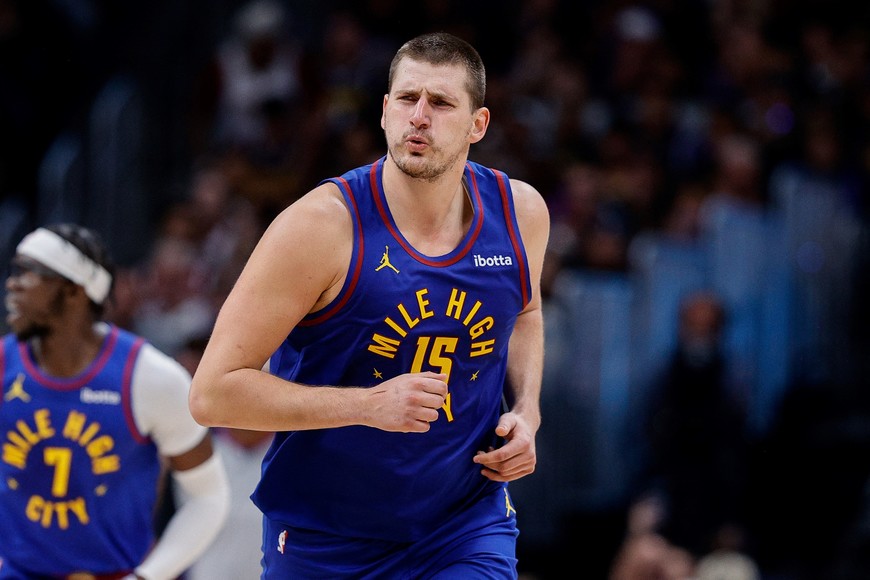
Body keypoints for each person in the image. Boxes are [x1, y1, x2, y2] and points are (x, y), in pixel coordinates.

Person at [189, 31, 550, 578]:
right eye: (407, 99)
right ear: (384, 112)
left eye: (442, 102)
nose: (419, 117)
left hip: (462, 526)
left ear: (478, 124)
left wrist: (526, 410)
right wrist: (366, 405)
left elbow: (524, 312)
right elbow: (212, 394)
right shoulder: (319, 228)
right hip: (326, 536)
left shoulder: (519, 211)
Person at [1, 223, 230, 579]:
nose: (12, 283)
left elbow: (208, 498)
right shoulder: (3, 365)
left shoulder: (151, 377)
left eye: (29, 272)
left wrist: (148, 576)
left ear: (74, 292)